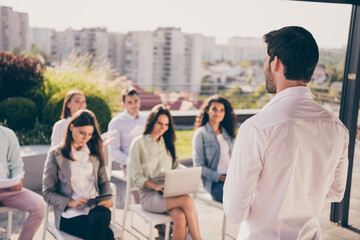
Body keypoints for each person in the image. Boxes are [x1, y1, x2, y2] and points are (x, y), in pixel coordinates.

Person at [223, 26, 349, 240]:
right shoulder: (338, 128)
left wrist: (276, 196)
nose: (264, 66)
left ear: (276, 62)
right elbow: (337, 192)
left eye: (265, 60)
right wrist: (299, 193)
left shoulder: (256, 128)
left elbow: (235, 213)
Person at [129, 105, 201, 240]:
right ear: (152, 122)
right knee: (186, 200)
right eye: (159, 123)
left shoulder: (168, 144)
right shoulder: (138, 143)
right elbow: (136, 176)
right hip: (149, 195)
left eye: (166, 124)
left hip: (169, 192)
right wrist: (154, 186)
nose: (163, 127)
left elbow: (176, 169)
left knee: (180, 217)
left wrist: (182, 182)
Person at [42, 109, 114, 240]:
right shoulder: (56, 154)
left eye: (90, 134)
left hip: (96, 209)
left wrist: (106, 199)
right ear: (71, 127)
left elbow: (104, 182)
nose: (85, 138)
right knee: (107, 235)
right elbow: (47, 192)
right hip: (70, 214)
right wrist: (70, 202)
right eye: (82, 133)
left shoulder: (95, 153)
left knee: (100, 217)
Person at [0, 125, 46, 240]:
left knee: (39, 204)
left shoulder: (7, 134)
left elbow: (16, 165)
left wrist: (17, 179)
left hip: (7, 189)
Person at [192, 95, 236, 203]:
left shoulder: (228, 134)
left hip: (232, 177)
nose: (218, 113)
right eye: (214, 109)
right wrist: (221, 177)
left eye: (221, 110)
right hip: (215, 183)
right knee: (236, 200)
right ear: (207, 111)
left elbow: (235, 159)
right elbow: (199, 166)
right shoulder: (201, 134)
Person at [107, 87, 147, 172]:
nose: (134, 105)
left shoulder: (147, 119)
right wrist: (130, 161)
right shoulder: (116, 122)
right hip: (129, 165)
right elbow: (113, 150)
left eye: (136, 101)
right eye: (129, 102)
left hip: (147, 161)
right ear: (124, 104)